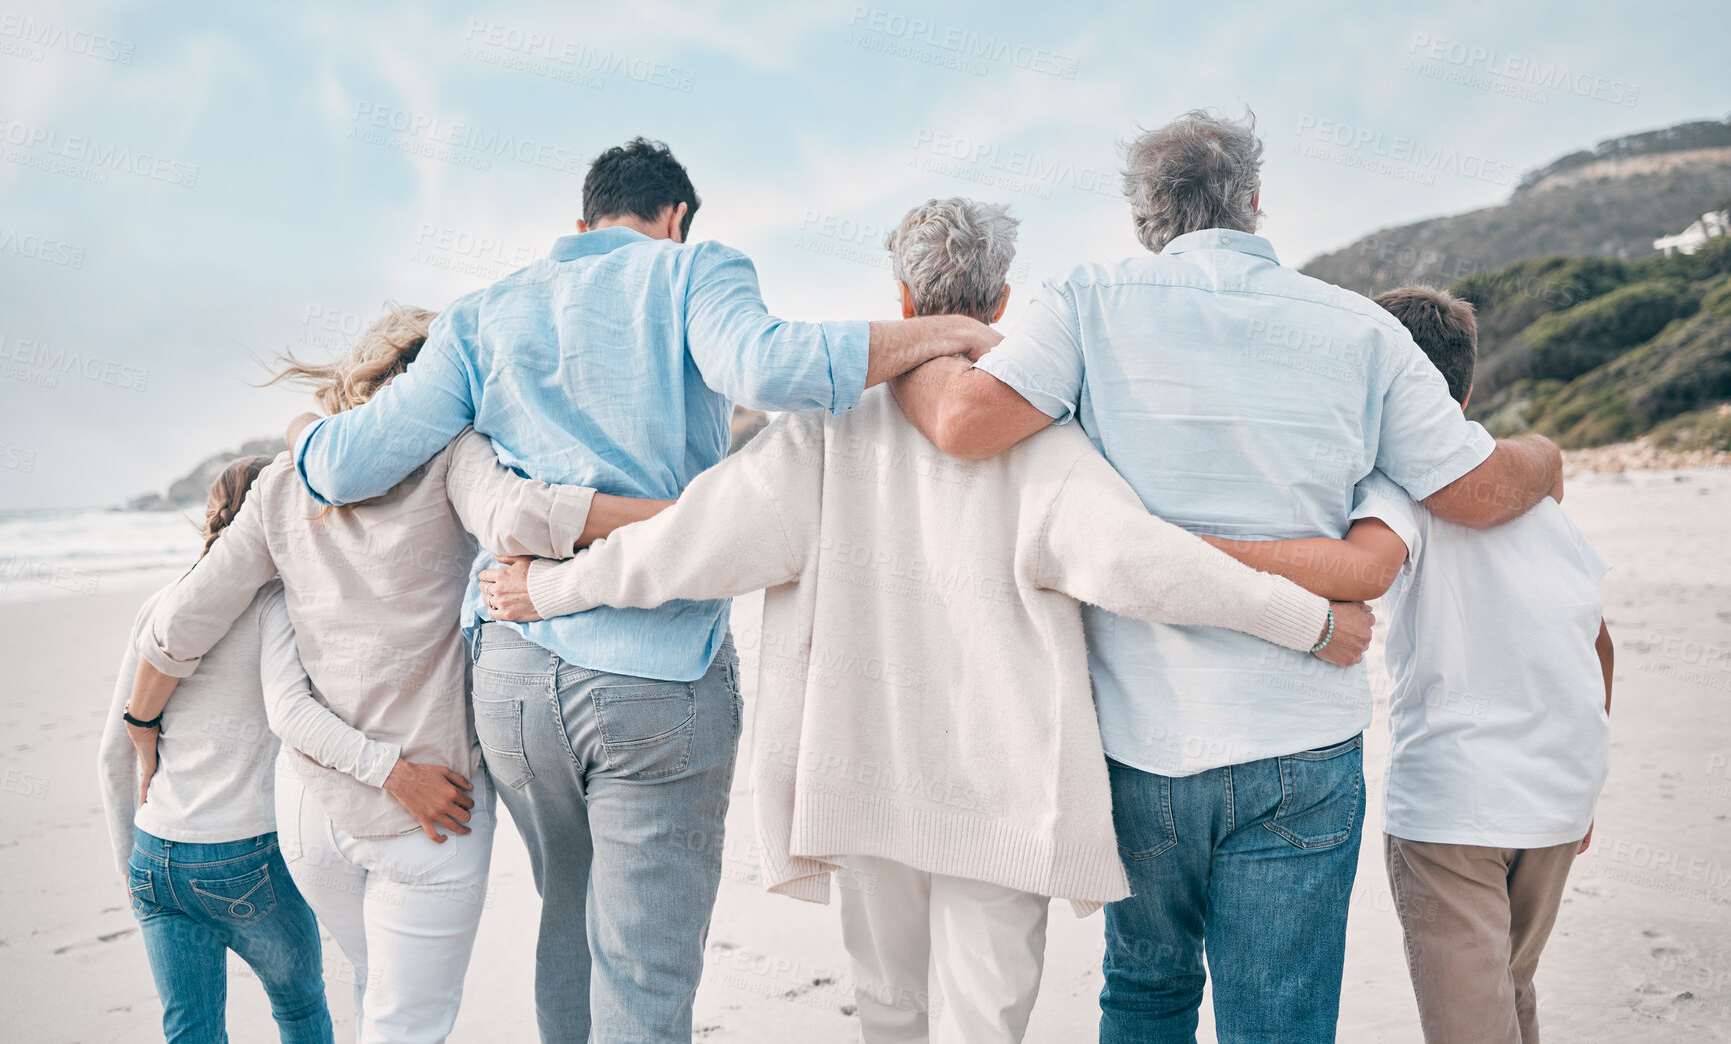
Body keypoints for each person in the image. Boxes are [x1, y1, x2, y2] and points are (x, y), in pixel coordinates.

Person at [477, 196, 1375, 1044]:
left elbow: (687, 541)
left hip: (861, 780)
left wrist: (550, 590)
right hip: (1002, 799)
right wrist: (1307, 622)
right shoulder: (1044, 444)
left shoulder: (822, 437)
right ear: (1004, 301)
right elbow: (1148, 565)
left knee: (888, 1017)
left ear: (901, 298)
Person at [289, 140, 1002, 1044]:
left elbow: (342, 467)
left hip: (510, 677)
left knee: (570, 930)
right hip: (651, 676)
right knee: (642, 973)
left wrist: (302, 436)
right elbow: (771, 367)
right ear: (674, 220)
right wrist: (945, 332)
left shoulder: (482, 314)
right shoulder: (691, 270)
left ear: (583, 220)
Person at [890, 110, 1567, 1043]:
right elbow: (1474, 491)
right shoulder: (1359, 329)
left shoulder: (1089, 297)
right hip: (1301, 738)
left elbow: (964, 427)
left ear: (1143, 220)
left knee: (1144, 991)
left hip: (1138, 734)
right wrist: (1543, 455)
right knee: (1280, 1020)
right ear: (1253, 202)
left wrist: (897, 344)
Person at [128, 305, 656, 1044]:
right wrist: (675, 513)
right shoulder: (452, 454)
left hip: (310, 810)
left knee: (375, 988)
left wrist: (140, 719)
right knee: (405, 1024)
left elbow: (180, 621)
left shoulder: (288, 478)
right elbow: (520, 516)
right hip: (430, 805)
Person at [1202, 287, 1614, 1044]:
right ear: (1467, 386)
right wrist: (1584, 765)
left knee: (1472, 1022)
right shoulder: (1528, 486)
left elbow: (1361, 570)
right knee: (1511, 987)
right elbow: (1596, 635)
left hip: (1458, 802)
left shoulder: (1397, 484)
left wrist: (1201, 549)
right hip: (1559, 793)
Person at [98, 457, 336, 1044]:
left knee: (190, 1029)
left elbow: (112, 757)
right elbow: (293, 716)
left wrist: (131, 869)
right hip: (243, 855)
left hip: (155, 857)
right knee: (301, 1010)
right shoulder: (277, 605)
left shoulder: (160, 605)